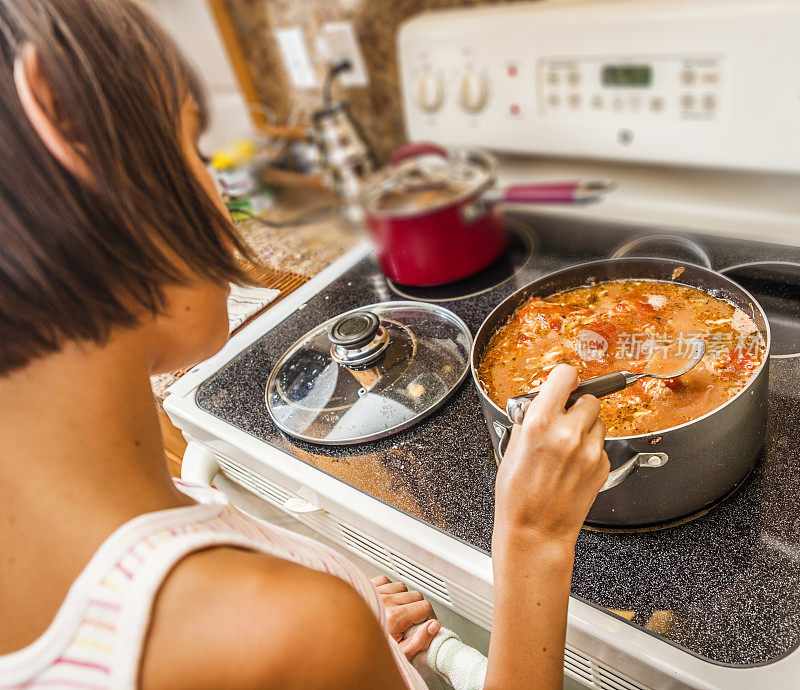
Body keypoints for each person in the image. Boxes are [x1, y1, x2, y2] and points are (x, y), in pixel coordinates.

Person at [0, 1, 610, 688]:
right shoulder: (280, 632)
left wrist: (354, 646)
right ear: (64, 122)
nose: (219, 194)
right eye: (196, 149)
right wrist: (535, 541)